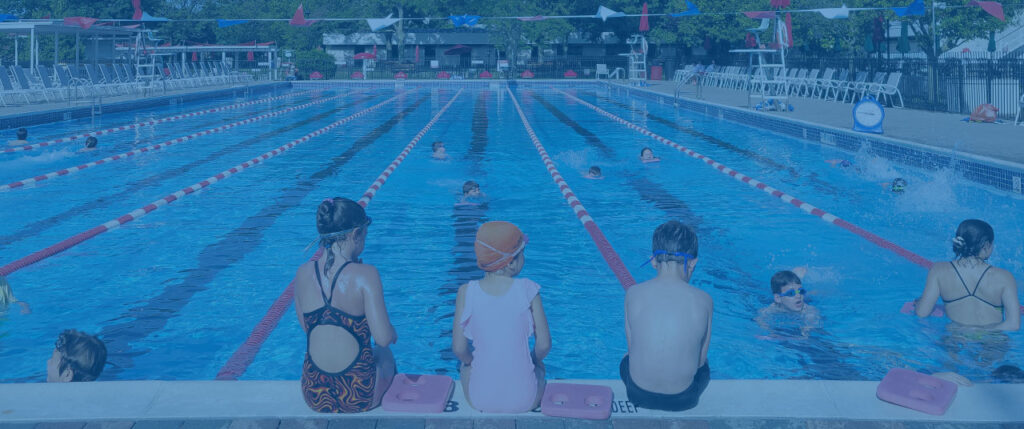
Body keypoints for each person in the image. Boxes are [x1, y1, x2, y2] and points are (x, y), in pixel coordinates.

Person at [293, 197, 397, 413]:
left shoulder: (303, 273)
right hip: (358, 395)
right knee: (384, 353)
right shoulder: (366, 275)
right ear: (356, 234)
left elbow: (309, 329)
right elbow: (383, 338)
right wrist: (392, 332)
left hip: (314, 394)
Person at [452, 221, 550, 413]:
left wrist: (471, 362)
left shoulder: (466, 292)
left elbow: (459, 348)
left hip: (480, 400)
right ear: (511, 262)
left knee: (464, 367)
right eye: (523, 253)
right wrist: (533, 360)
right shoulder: (529, 289)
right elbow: (544, 345)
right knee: (539, 368)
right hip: (526, 400)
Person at [622, 220, 712, 411]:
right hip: (683, 400)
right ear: (693, 263)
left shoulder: (633, 293)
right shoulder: (704, 299)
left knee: (625, 360)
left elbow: (632, 350)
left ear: (653, 260)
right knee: (705, 369)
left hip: (637, 394)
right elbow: (700, 362)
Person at [915, 219, 1019, 331]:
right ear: (986, 245)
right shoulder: (1005, 277)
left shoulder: (938, 270)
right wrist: (980, 332)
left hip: (955, 338)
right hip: (992, 342)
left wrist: (920, 303)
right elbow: (1013, 325)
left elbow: (922, 313)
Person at [756, 268, 820, 336]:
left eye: (801, 291)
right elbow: (760, 320)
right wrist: (769, 332)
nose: (798, 296)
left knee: (810, 296)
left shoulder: (807, 309)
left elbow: (811, 319)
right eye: (791, 293)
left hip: (800, 299)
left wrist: (806, 330)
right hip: (778, 299)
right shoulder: (772, 309)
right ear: (778, 298)